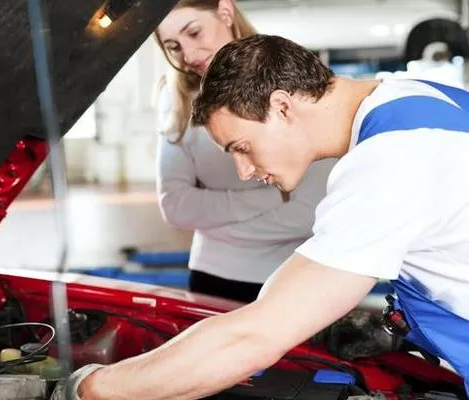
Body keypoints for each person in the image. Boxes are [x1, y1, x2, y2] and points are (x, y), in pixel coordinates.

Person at [69, 34, 469, 399]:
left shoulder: (389, 159)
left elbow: (253, 338)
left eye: (242, 147)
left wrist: (93, 389)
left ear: (282, 105)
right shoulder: (410, 97)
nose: (244, 172)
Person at [152, 0, 334, 302]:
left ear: (225, 12)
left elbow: (309, 212)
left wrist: (216, 229)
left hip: (295, 274)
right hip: (214, 275)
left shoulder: (292, 80)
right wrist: (274, 196)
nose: (188, 55)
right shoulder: (175, 98)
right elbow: (175, 205)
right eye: (173, 46)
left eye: (194, 33)